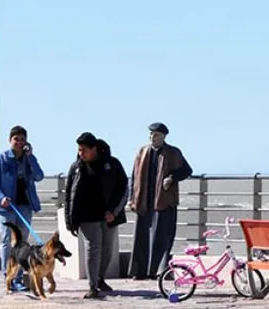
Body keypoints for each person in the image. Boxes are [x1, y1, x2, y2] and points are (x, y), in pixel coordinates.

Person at [64, 132, 129, 298]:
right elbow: (69, 195)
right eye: (79, 150)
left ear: (95, 149)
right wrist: (69, 220)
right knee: (93, 249)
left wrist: (114, 212)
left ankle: (100, 278)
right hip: (87, 216)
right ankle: (92, 286)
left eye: (84, 150)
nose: (81, 153)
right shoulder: (76, 168)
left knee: (107, 249)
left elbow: (124, 189)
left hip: (108, 216)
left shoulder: (112, 164)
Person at [128, 122, 192, 280]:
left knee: (162, 237)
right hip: (144, 201)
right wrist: (131, 199)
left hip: (164, 202)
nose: (152, 138)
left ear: (164, 136)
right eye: (150, 135)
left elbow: (187, 170)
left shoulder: (173, 152)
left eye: (156, 135)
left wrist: (172, 178)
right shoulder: (142, 152)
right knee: (141, 237)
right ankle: (139, 271)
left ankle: (159, 271)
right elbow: (134, 177)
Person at [0, 125, 45, 293]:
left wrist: (31, 157)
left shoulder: (28, 158)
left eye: (22, 140)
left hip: (25, 205)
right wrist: (0, 197)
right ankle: (8, 276)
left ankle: (19, 278)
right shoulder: (2, 159)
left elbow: (39, 176)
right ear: (10, 140)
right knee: (7, 240)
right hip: (6, 207)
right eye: (16, 140)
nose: (19, 143)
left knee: (22, 243)